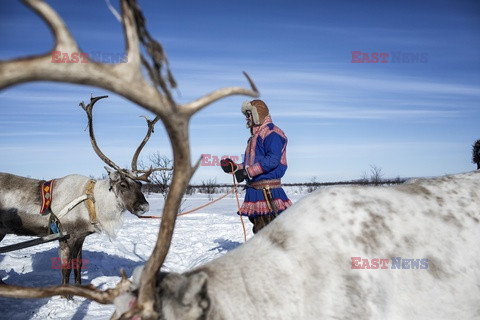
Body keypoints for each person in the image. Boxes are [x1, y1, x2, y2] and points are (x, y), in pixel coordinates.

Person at [221, 99, 292, 233]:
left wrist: (248, 172)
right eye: (246, 115)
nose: (247, 118)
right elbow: (251, 164)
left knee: (267, 231)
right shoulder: (254, 137)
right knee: (260, 229)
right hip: (255, 190)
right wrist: (236, 168)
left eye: (249, 114)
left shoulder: (272, 133)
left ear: (257, 114)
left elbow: (272, 160)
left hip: (268, 191)